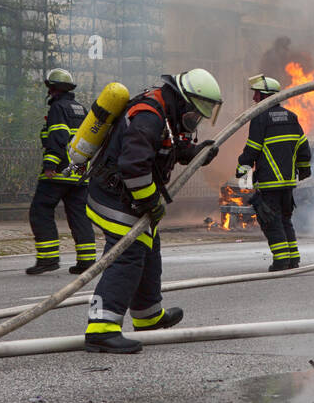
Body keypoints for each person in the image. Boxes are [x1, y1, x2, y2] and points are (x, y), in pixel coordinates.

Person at [83, 69, 222, 353]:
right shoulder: (149, 115)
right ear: (183, 100)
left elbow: (171, 148)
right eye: (194, 114)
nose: (195, 121)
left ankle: (148, 317)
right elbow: (133, 165)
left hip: (130, 197)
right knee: (129, 254)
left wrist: (196, 153)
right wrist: (150, 201)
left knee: (149, 247)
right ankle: (101, 328)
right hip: (113, 196)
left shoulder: (167, 115)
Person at [235, 75, 312, 271]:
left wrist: (242, 166)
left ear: (263, 95)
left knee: (271, 221)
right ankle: (293, 258)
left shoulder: (260, 119)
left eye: (255, 94)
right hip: (287, 183)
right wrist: (303, 168)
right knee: (285, 219)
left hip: (269, 183)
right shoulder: (291, 116)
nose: (253, 98)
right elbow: (303, 147)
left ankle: (281, 261)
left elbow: (252, 149)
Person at [25, 69, 96, 275]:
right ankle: (87, 261)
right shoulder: (81, 109)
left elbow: (58, 137)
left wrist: (50, 165)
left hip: (59, 173)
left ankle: (48, 259)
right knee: (79, 216)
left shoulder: (58, 108)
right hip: (79, 173)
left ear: (53, 88)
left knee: (40, 211)